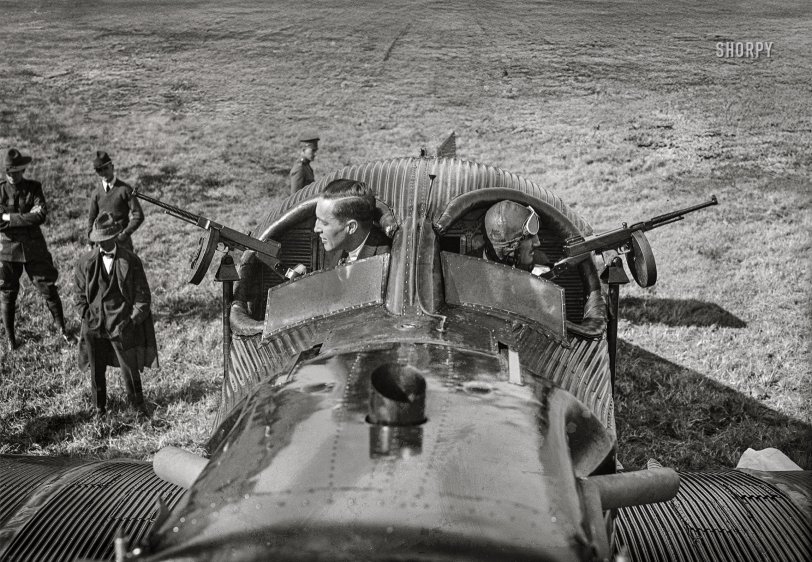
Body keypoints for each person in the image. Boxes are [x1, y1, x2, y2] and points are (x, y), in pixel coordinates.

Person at [74, 212, 158, 418]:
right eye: (98, 241)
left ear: (115, 237)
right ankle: (99, 408)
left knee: (130, 369)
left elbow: (143, 297)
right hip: (94, 325)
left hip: (121, 324)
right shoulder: (85, 262)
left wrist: (130, 320)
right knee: (96, 369)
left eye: (105, 240)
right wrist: (87, 316)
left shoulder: (131, 260)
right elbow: (78, 297)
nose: (101, 244)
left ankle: (138, 407)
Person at [0, 148, 73, 349]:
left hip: (34, 249)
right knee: (7, 293)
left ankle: (62, 330)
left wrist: (9, 218)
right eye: (8, 171)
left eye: (15, 171)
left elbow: (40, 215)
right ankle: (11, 340)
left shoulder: (34, 187)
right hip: (8, 251)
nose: (12, 175)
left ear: (23, 170)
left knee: (48, 288)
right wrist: (26, 218)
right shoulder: (0, 190)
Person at [315, 178, 390, 268]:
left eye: (324, 223)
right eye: (317, 219)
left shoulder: (381, 263)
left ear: (351, 227)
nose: (316, 229)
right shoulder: (340, 244)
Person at [87, 151, 144, 251]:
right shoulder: (96, 193)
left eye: (106, 168)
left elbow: (138, 215)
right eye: (99, 170)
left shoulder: (125, 189)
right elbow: (92, 219)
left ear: (112, 167)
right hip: (102, 244)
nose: (104, 172)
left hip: (121, 244)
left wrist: (125, 233)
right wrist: (90, 242)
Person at [481, 200, 546, 273]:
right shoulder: (469, 270)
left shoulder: (540, 260)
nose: (537, 242)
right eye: (529, 237)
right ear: (510, 250)